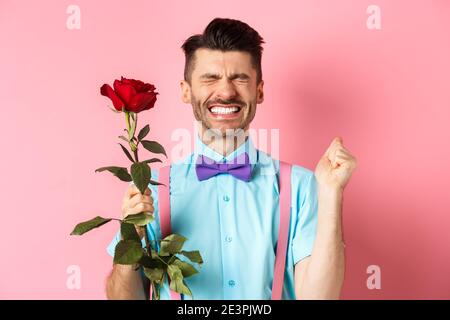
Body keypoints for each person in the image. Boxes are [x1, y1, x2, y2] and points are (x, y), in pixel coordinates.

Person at [105, 17, 357, 300]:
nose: (225, 92)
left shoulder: (302, 186)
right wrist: (130, 237)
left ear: (259, 90)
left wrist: (332, 193)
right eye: (210, 78)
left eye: (240, 78)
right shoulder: (149, 190)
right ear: (186, 91)